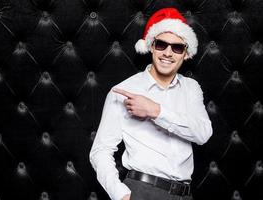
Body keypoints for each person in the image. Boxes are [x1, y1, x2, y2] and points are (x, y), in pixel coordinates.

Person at [89, 7, 212, 200]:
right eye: (161, 44)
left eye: (177, 47)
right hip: (143, 191)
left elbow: (203, 134)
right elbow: (100, 151)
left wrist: (156, 111)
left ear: (186, 54)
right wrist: (121, 195)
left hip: (185, 194)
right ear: (151, 46)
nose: (168, 53)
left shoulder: (191, 88)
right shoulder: (123, 90)